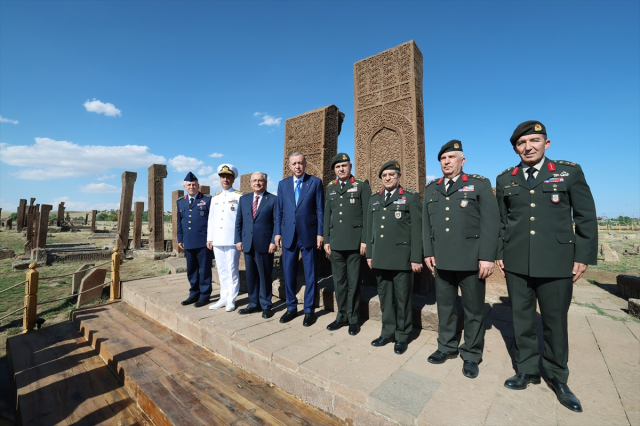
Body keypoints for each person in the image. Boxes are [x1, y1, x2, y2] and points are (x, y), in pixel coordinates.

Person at [496, 121, 597, 413]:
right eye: (522, 143)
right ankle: (527, 369)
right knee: (522, 319)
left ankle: (557, 376)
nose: (528, 146)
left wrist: (583, 256)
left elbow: (586, 216)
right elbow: (503, 221)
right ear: (515, 148)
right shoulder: (506, 179)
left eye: (534, 140)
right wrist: (500, 252)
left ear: (546, 144)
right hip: (516, 261)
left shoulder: (568, 172)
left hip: (556, 260)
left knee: (554, 322)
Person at [422, 140, 500, 378]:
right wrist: (428, 252)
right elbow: (426, 224)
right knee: (445, 307)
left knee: (474, 310)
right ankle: (446, 347)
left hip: (471, 260)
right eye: (443, 159)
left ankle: (472, 354)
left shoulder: (478, 184)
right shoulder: (431, 188)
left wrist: (487, 257)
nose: (446, 162)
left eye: (451, 157)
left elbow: (491, 223)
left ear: (462, 161)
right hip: (442, 260)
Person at [365, 161, 423, 355]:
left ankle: (402, 335)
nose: (388, 178)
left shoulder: (410, 197)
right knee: (385, 298)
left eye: (391, 174)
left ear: (398, 176)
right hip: (380, 258)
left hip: (402, 258)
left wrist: (416, 258)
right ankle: (387, 331)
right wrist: (370, 255)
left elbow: (417, 230)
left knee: (403, 299)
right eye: (384, 175)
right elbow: (371, 230)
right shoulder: (374, 199)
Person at [323, 153, 371, 336]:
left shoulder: (361, 185)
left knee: (353, 283)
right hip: (335, 242)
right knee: (339, 282)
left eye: (344, 165)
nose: (341, 169)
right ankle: (341, 316)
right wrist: (327, 240)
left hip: (354, 243)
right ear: (334, 170)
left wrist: (365, 240)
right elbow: (328, 215)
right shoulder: (331, 188)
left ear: (350, 166)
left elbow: (368, 215)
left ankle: (353, 319)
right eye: (338, 167)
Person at [274, 152, 324, 326]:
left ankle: (309, 310)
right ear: (289, 166)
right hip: (288, 235)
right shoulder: (283, 185)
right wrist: (277, 233)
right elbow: (279, 211)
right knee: (288, 272)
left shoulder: (315, 182)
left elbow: (320, 210)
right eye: (294, 163)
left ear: (305, 164)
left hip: (308, 234)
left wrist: (320, 233)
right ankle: (291, 307)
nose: (297, 166)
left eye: (300, 163)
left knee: (310, 273)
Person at [234, 172, 277, 318]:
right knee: (251, 275)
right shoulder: (244, 199)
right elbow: (239, 221)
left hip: (265, 244)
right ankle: (253, 304)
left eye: (260, 180)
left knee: (264, 275)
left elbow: (276, 223)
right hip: (247, 243)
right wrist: (238, 240)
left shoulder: (272, 199)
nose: (257, 183)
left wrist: (273, 241)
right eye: (255, 181)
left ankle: (266, 305)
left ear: (265, 182)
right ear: (251, 183)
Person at [206, 164, 243, 312]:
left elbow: (241, 220)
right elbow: (211, 219)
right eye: (223, 177)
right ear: (220, 179)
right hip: (217, 240)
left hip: (232, 240)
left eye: (228, 177)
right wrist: (210, 238)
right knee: (221, 270)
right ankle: (223, 297)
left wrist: (239, 239)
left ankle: (231, 299)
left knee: (232, 270)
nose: (225, 179)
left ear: (233, 179)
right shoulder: (215, 198)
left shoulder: (239, 196)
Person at [177, 172, 213, 308]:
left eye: (194, 184)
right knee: (191, 269)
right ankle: (193, 294)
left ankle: (204, 296)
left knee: (204, 269)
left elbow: (212, 221)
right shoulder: (181, 202)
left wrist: (211, 238)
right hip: (188, 241)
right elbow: (179, 222)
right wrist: (180, 238)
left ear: (198, 186)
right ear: (185, 186)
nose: (191, 186)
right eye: (189, 185)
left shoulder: (207, 200)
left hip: (204, 242)